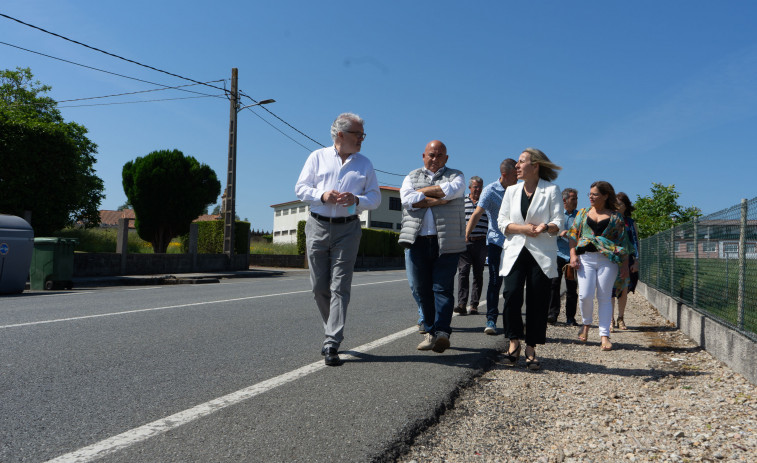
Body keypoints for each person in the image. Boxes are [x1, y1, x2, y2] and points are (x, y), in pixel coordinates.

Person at [294, 113, 380, 366]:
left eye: (363, 135)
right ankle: (331, 329)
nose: (362, 139)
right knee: (319, 287)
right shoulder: (316, 157)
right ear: (340, 135)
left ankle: (332, 341)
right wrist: (322, 195)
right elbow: (300, 189)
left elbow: (375, 198)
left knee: (339, 286)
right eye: (358, 134)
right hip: (317, 226)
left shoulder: (365, 164)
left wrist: (357, 200)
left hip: (348, 229)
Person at [498, 148, 562, 370]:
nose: (516, 166)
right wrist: (524, 229)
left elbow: (559, 222)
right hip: (515, 251)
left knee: (537, 299)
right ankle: (513, 343)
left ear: (535, 166)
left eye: (521, 162)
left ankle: (531, 347)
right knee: (512, 294)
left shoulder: (552, 190)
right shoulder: (511, 191)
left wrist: (546, 226)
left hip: (541, 252)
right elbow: (502, 223)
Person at [399, 140, 466, 353]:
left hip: (446, 242)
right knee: (421, 289)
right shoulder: (411, 176)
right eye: (430, 154)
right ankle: (430, 331)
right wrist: (437, 197)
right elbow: (407, 200)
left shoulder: (457, 175)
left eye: (439, 155)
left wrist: (422, 195)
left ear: (446, 158)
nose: (434, 159)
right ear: (423, 155)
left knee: (442, 288)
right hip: (417, 240)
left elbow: (451, 191)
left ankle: (443, 332)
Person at [567, 181, 630, 351]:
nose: (591, 197)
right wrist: (573, 255)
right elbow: (573, 234)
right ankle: (586, 324)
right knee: (585, 295)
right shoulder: (583, 213)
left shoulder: (616, 217)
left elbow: (623, 242)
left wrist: (625, 265)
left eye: (595, 194)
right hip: (585, 258)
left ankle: (604, 335)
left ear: (605, 196)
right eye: (590, 194)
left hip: (607, 260)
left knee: (604, 297)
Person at [465, 159, 517, 334]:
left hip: (516, 244)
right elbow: (476, 214)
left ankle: (513, 323)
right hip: (496, 242)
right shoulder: (490, 191)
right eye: (515, 174)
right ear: (505, 175)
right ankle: (491, 320)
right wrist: (465, 236)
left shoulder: (520, 190)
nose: (518, 177)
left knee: (513, 285)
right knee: (495, 281)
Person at [454, 176, 487, 316]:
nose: (478, 189)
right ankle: (462, 303)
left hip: (481, 242)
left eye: (480, 187)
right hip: (465, 242)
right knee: (463, 271)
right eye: (475, 187)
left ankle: (473, 305)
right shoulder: (462, 202)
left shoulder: (485, 203)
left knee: (478, 274)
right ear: (470, 188)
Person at [547, 188, 579, 326]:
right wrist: (559, 232)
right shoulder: (557, 215)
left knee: (572, 287)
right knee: (554, 285)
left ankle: (570, 318)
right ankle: (552, 315)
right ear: (564, 200)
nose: (576, 201)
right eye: (573, 199)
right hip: (558, 253)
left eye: (577, 198)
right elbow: (548, 231)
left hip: (573, 255)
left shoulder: (580, 216)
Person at [611, 192, 640, 331]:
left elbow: (635, 242)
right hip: (611, 259)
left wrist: (636, 261)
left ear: (626, 206)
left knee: (623, 290)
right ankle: (609, 319)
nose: (617, 206)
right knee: (609, 290)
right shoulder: (609, 219)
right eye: (615, 203)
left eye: (620, 204)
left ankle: (621, 318)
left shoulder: (630, 222)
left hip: (627, 260)